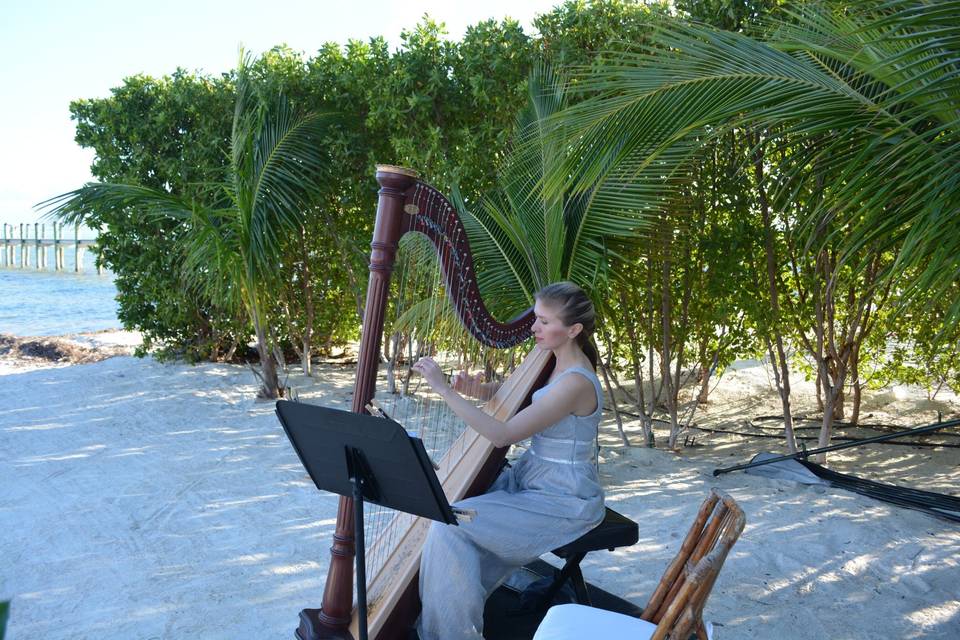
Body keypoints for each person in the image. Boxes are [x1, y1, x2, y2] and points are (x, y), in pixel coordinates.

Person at [411, 281, 606, 640]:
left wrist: (443, 390)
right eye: (536, 318)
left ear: (574, 330)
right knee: (444, 508)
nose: (534, 328)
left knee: (448, 526)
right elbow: (526, 400)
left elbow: (502, 435)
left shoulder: (575, 382)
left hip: (563, 498)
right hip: (534, 478)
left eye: (545, 322)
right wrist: (478, 391)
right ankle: (451, 610)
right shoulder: (553, 362)